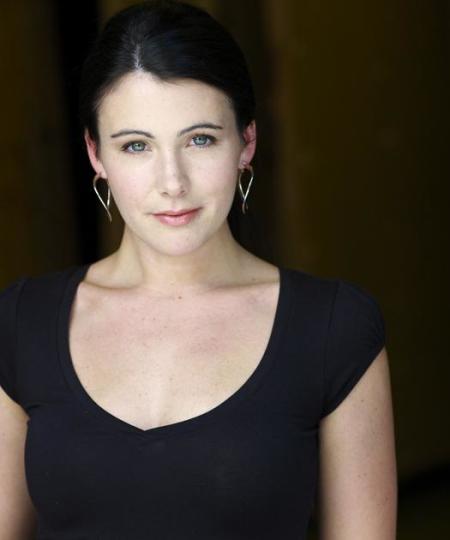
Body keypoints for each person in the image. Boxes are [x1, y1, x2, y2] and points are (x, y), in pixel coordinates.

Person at [0, 0, 397, 538]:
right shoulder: (20, 322)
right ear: (96, 154)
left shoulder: (333, 328)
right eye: (136, 145)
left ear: (246, 142)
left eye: (200, 139)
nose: (172, 182)